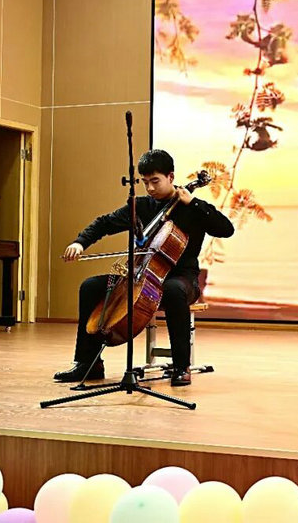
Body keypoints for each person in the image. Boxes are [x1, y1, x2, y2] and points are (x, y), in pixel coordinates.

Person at [53, 149, 234, 386]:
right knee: (90, 286)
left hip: (182, 278)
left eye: (155, 181)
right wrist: (80, 242)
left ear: (170, 176)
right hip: (142, 277)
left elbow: (226, 229)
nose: (149, 188)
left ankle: (181, 366)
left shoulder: (192, 207)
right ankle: (88, 363)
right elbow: (104, 223)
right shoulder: (140, 206)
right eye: (145, 182)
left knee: (173, 290)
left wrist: (195, 202)